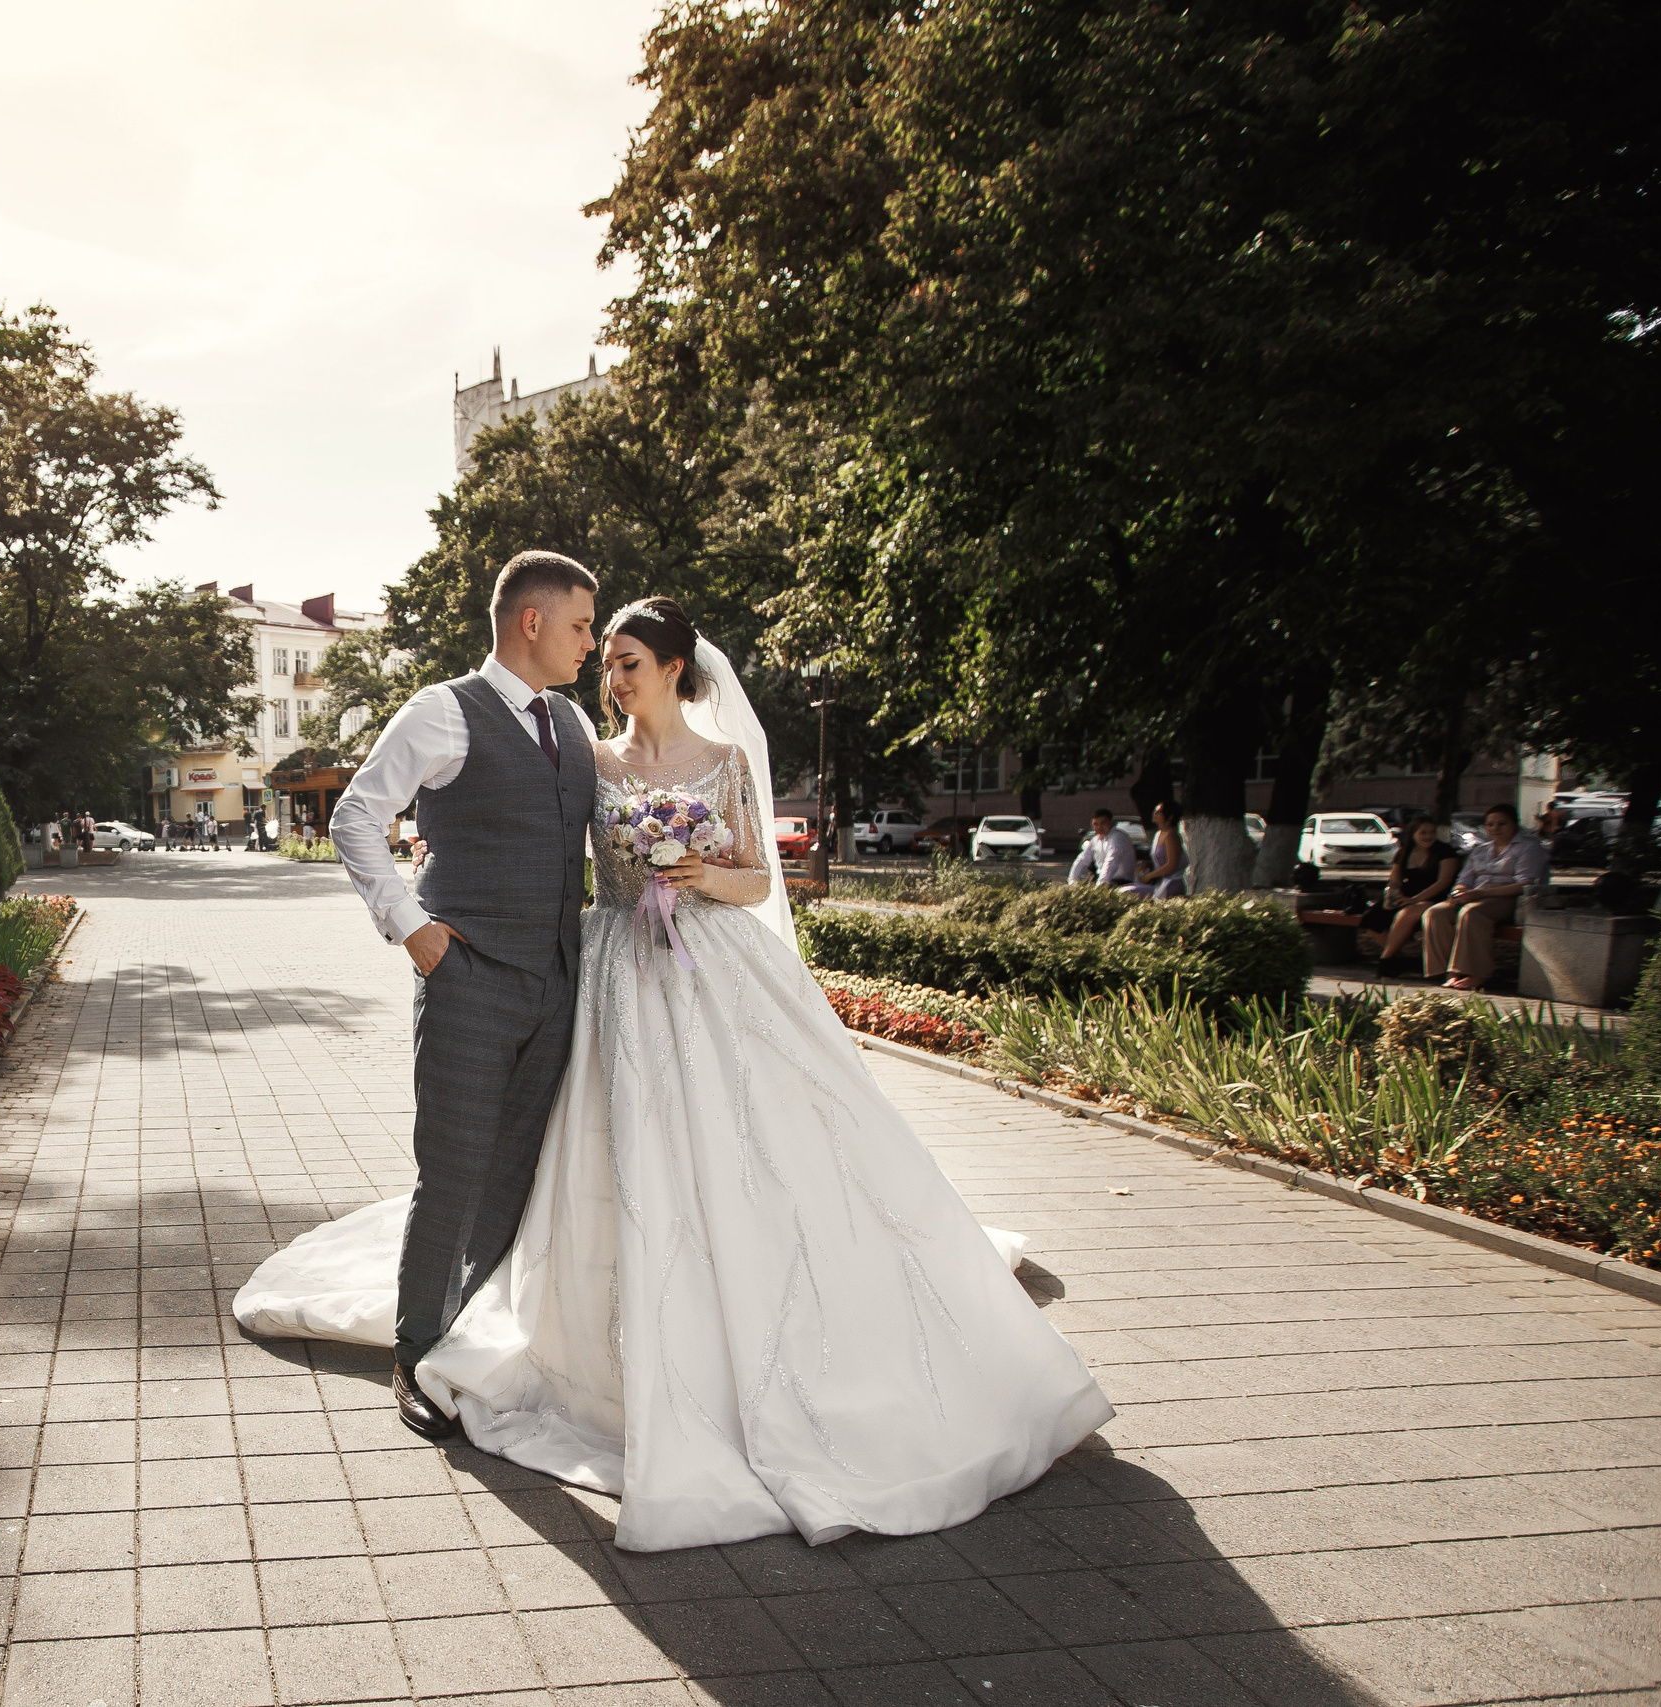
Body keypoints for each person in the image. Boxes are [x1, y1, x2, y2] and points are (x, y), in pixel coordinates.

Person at [239, 592, 1111, 1555]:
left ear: (674, 671)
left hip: (706, 974)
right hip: (605, 968)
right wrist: (428, 924)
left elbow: (754, 875)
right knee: (566, 1156)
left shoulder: (704, 757)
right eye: (598, 652)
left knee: (741, 1152)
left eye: (624, 661)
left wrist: (698, 873)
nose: (607, 674)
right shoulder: (579, 747)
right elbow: (467, 827)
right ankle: (458, 1337)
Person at [312, 549, 604, 1442]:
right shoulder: (443, 711)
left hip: (558, 981)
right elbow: (355, 815)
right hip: (470, 976)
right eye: (584, 624)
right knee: (454, 1171)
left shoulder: (575, 725)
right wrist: (414, 929)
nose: (592, 642)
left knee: (513, 1174)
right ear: (532, 621)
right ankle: (416, 1350)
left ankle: (469, 1341)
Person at [1426, 803, 1547, 991]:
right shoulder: (1481, 850)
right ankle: (1448, 971)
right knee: (1435, 913)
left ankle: (1477, 973)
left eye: (1502, 824)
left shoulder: (1528, 848)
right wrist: (1459, 892)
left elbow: (1525, 884)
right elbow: (1464, 879)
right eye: (1490, 824)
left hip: (1506, 897)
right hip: (1475, 894)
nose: (1495, 829)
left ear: (1514, 824)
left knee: (1471, 913)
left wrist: (1479, 893)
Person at [1374, 815, 1461, 973]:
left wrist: (1414, 900)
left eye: (1432, 832)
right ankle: (1399, 959)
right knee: (1373, 917)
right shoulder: (1403, 852)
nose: (1428, 836)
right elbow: (1395, 879)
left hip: (1435, 896)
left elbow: (1443, 882)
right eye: (1423, 833)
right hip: (1407, 895)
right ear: (1413, 834)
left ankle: (1385, 960)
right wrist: (1391, 894)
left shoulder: (1445, 852)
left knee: (1406, 914)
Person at [1067, 806, 1142, 886]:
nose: (1099, 827)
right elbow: (1082, 859)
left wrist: (1101, 884)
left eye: (1103, 823)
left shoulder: (1117, 838)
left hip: (1121, 881)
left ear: (1111, 823)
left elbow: (1112, 861)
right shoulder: (1095, 840)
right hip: (1104, 880)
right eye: (1095, 824)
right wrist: (1073, 880)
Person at [1132, 800, 1187, 898]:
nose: (1154, 813)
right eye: (1155, 811)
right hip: (1161, 882)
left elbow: (1171, 865)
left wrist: (1149, 876)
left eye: (1158, 812)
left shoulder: (1171, 835)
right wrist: (1146, 865)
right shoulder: (1158, 834)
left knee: (1130, 892)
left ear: (1170, 817)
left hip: (1173, 882)